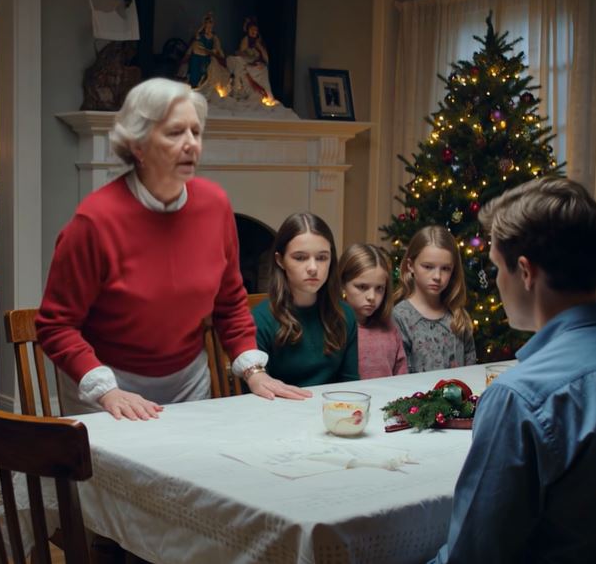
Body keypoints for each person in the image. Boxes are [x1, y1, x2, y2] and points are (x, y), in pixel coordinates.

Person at [36, 77, 309, 420]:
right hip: (109, 390)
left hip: (189, 385)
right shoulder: (95, 221)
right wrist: (107, 392)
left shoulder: (215, 205)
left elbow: (230, 301)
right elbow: (55, 325)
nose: (191, 144)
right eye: (175, 133)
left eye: (196, 132)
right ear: (138, 145)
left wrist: (254, 371)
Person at [430, 176, 596, 563]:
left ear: (525, 272)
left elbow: (474, 554)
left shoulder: (521, 397)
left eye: (496, 269)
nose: (496, 285)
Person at [252, 212, 358, 387]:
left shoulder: (345, 315)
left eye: (322, 258)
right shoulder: (260, 319)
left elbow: (351, 384)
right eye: (300, 258)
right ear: (280, 260)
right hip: (278, 410)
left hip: (332, 409)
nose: (313, 268)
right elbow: (257, 394)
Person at [392, 225, 475, 372]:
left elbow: (471, 369)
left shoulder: (458, 317)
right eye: (428, 267)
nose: (437, 277)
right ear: (411, 266)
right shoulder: (399, 317)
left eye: (445, 269)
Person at [339, 243, 407, 379]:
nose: (372, 297)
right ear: (342, 285)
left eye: (379, 288)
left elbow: (401, 375)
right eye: (362, 287)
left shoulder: (389, 328)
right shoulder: (333, 329)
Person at [227, 17, 275, 103]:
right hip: (248, 66)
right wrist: (252, 61)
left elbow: (266, 59)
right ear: (248, 30)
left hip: (258, 67)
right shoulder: (245, 40)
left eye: (255, 30)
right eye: (252, 29)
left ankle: (265, 95)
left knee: (264, 70)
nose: (254, 32)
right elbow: (241, 55)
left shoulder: (259, 42)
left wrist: (259, 47)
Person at [179, 12, 230, 94]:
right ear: (204, 25)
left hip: (208, 56)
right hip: (199, 55)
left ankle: (201, 83)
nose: (209, 26)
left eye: (210, 24)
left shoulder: (214, 37)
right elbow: (196, 41)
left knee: (209, 63)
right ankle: (194, 83)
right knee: (194, 58)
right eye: (207, 24)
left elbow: (217, 48)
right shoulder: (200, 35)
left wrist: (217, 54)